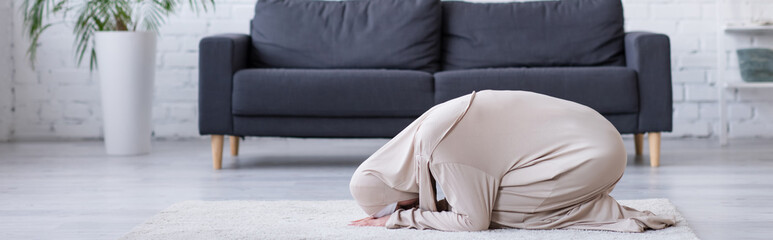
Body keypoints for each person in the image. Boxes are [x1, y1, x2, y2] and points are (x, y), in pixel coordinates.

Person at [348, 90, 675, 232]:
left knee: (493, 212)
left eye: (401, 204)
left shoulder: (439, 148)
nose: (409, 205)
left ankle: (595, 208)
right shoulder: (431, 124)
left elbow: (472, 222)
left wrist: (401, 221)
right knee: (484, 199)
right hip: (601, 137)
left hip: (593, 158)